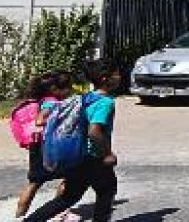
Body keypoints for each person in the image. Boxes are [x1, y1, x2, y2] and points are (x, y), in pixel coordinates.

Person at [25, 60, 122, 222]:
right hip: (94, 157)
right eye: (116, 74)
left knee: (68, 197)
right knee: (107, 191)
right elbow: (94, 131)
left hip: (78, 156)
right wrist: (107, 154)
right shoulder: (105, 102)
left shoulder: (85, 98)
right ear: (105, 78)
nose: (119, 77)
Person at [15, 72, 73, 218]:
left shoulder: (42, 101)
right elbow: (40, 121)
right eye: (68, 87)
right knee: (70, 177)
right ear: (55, 89)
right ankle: (57, 211)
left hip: (37, 143)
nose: (70, 90)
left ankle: (19, 216)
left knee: (34, 183)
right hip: (51, 145)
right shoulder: (53, 103)